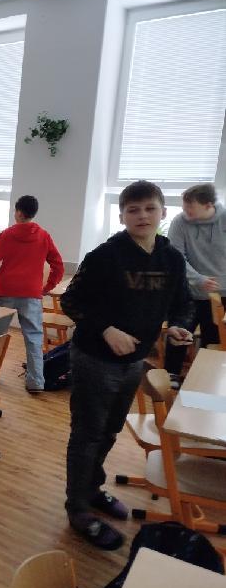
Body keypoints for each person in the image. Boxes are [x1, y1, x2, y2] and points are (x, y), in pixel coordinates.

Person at [60, 180, 193, 550]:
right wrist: (106, 329)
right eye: (133, 210)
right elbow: (71, 301)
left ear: (163, 213)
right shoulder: (106, 256)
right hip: (94, 358)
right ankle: (78, 507)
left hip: (135, 361)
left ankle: (92, 489)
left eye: (150, 208)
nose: (142, 216)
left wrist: (178, 326)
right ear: (121, 216)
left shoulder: (171, 258)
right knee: (88, 433)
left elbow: (183, 303)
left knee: (109, 431)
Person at [0, 195, 64, 393]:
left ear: (18, 212)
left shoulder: (6, 235)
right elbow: (58, 265)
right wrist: (47, 287)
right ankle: (36, 382)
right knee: (34, 338)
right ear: (33, 213)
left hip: (7, 292)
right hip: (31, 294)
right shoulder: (43, 236)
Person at [165, 182, 225, 375]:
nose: (185, 211)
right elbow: (176, 257)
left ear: (208, 205)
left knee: (213, 343)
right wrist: (198, 279)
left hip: (220, 295)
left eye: (190, 207)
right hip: (188, 293)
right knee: (178, 336)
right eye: (184, 206)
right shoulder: (179, 222)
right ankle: (171, 378)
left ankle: (205, 382)